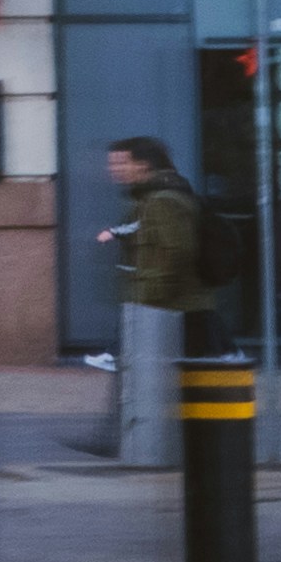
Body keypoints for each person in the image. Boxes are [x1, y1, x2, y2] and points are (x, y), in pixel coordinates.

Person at [100, 138, 197, 465]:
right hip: (151, 311)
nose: (114, 170)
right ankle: (132, 445)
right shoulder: (146, 200)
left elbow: (175, 257)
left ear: (143, 165)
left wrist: (146, 303)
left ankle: (156, 452)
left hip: (161, 313)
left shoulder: (161, 201)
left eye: (120, 163)